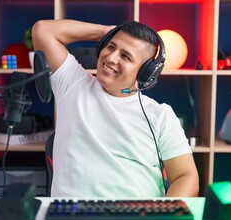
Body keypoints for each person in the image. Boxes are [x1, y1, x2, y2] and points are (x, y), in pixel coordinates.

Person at [32, 19, 199, 198]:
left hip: (136, 219)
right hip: (73, 216)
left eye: (125, 56)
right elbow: (43, 30)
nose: (111, 58)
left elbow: (186, 177)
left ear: (145, 73)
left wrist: (159, 219)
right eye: (111, 47)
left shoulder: (160, 115)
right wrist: (104, 31)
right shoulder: (73, 84)